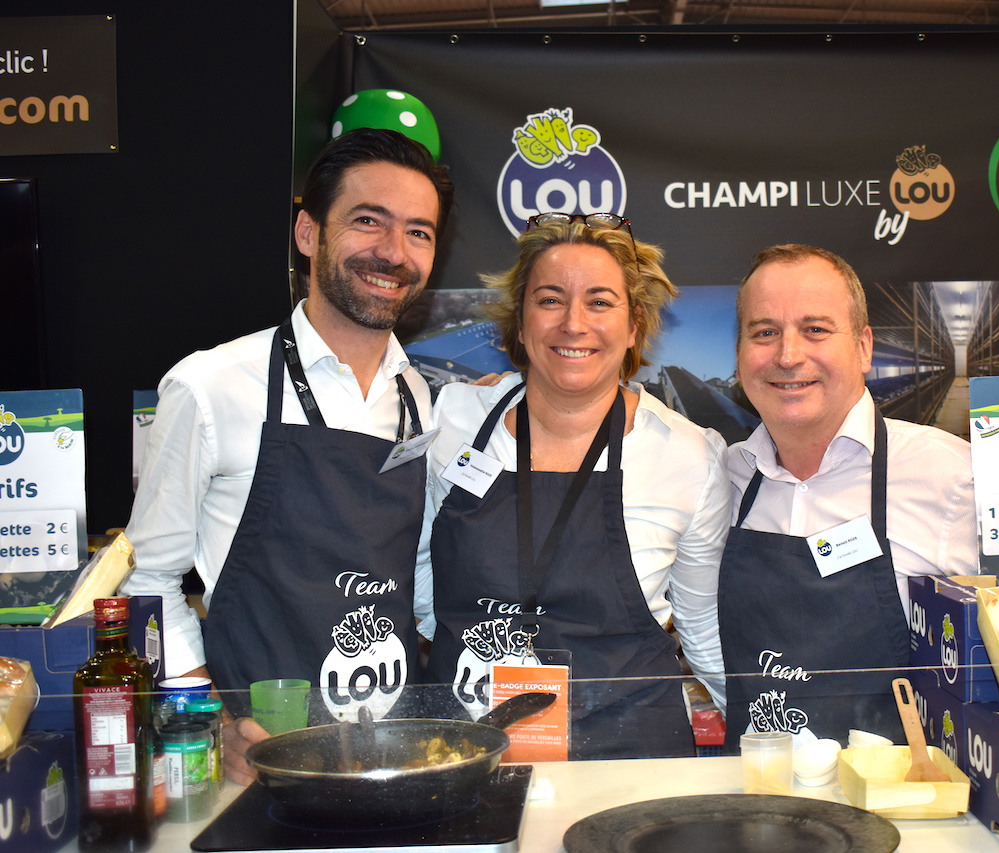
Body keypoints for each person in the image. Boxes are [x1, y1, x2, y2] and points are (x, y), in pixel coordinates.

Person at [122, 128, 453, 783]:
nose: (394, 252)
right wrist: (210, 718)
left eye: (418, 231)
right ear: (308, 232)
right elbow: (147, 583)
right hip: (260, 759)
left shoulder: (419, 397)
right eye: (368, 221)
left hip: (393, 755)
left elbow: (413, 572)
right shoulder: (211, 385)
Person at [418, 213, 730, 759]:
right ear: (520, 322)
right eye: (550, 299)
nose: (573, 323)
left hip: (627, 752)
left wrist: (773, 739)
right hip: (466, 748)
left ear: (633, 327)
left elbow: (702, 626)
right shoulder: (453, 420)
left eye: (600, 302)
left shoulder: (688, 455)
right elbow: (421, 575)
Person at [718, 244, 977, 746]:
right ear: (739, 354)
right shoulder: (724, 479)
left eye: (815, 329)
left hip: (901, 789)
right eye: (764, 332)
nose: (788, 356)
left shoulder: (951, 479)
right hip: (754, 785)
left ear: (863, 347)